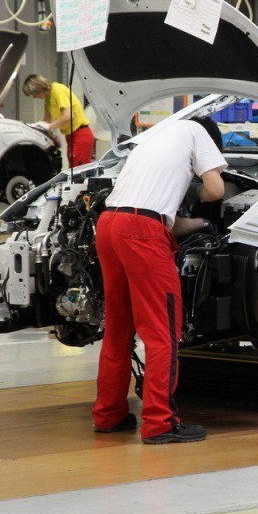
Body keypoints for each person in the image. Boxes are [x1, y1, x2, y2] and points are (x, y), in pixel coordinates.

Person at [92, 116, 226, 444]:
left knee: (118, 328)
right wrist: (199, 196)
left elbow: (160, 218)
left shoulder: (153, 139)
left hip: (109, 225)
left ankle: (108, 415)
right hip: (142, 233)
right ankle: (159, 423)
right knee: (162, 333)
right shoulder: (197, 131)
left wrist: (198, 224)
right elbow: (216, 189)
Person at [22, 74, 96, 167]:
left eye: (33, 94)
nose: (33, 97)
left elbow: (68, 115)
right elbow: (46, 121)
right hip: (70, 136)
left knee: (77, 170)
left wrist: (49, 126)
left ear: (39, 89)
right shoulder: (48, 98)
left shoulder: (57, 90)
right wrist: (38, 128)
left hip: (81, 134)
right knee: (72, 168)